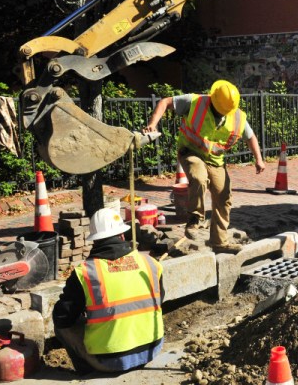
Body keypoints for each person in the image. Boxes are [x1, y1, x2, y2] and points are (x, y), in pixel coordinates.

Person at [143, 80, 265, 253]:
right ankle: (195, 219)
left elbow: (250, 137)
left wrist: (258, 159)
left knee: (223, 196)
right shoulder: (195, 102)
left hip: (215, 160)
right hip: (190, 151)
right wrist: (153, 123)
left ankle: (219, 243)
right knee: (199, 178)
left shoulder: (237, 116)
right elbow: (165, 102)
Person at [52, 208, 164, 374]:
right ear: (122, 236)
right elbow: (159, 300)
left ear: (94, 241)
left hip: (110, 361)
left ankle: (86, 371)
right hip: (151, 350)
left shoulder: (85, 272)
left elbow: (62, 318)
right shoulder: (150, 263)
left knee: (64, 326)